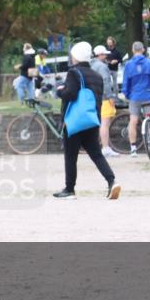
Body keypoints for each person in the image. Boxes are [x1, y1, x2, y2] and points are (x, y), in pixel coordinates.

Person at [54, 42, 119, 200]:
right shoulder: (96, 75)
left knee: (71, 156)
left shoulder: (74, 73)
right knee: (96, 154)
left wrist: (60, 91)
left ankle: (69, 189)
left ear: (76, 57)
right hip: (91, 120)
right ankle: (112, 181)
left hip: (75, 121)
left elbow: (71, 94)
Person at [122, 41, 150, 156]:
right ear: (143, 50)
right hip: (148, 95)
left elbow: (125, 83)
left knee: (133, 121)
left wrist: (127, 95)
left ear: (133, 50)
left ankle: (133, 149)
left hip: (135, 96)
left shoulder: (128, 65)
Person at [92, 45, 120, 157]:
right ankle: (105, 147)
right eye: (104, 54)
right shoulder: (102, 67)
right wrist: (110, 97)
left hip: (95, 97)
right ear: (100, 55)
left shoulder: (92, 65)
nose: (106, 56)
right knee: (105, 123)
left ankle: (103, 146)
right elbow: (106, 82)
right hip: (104, 98)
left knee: (101, 123)